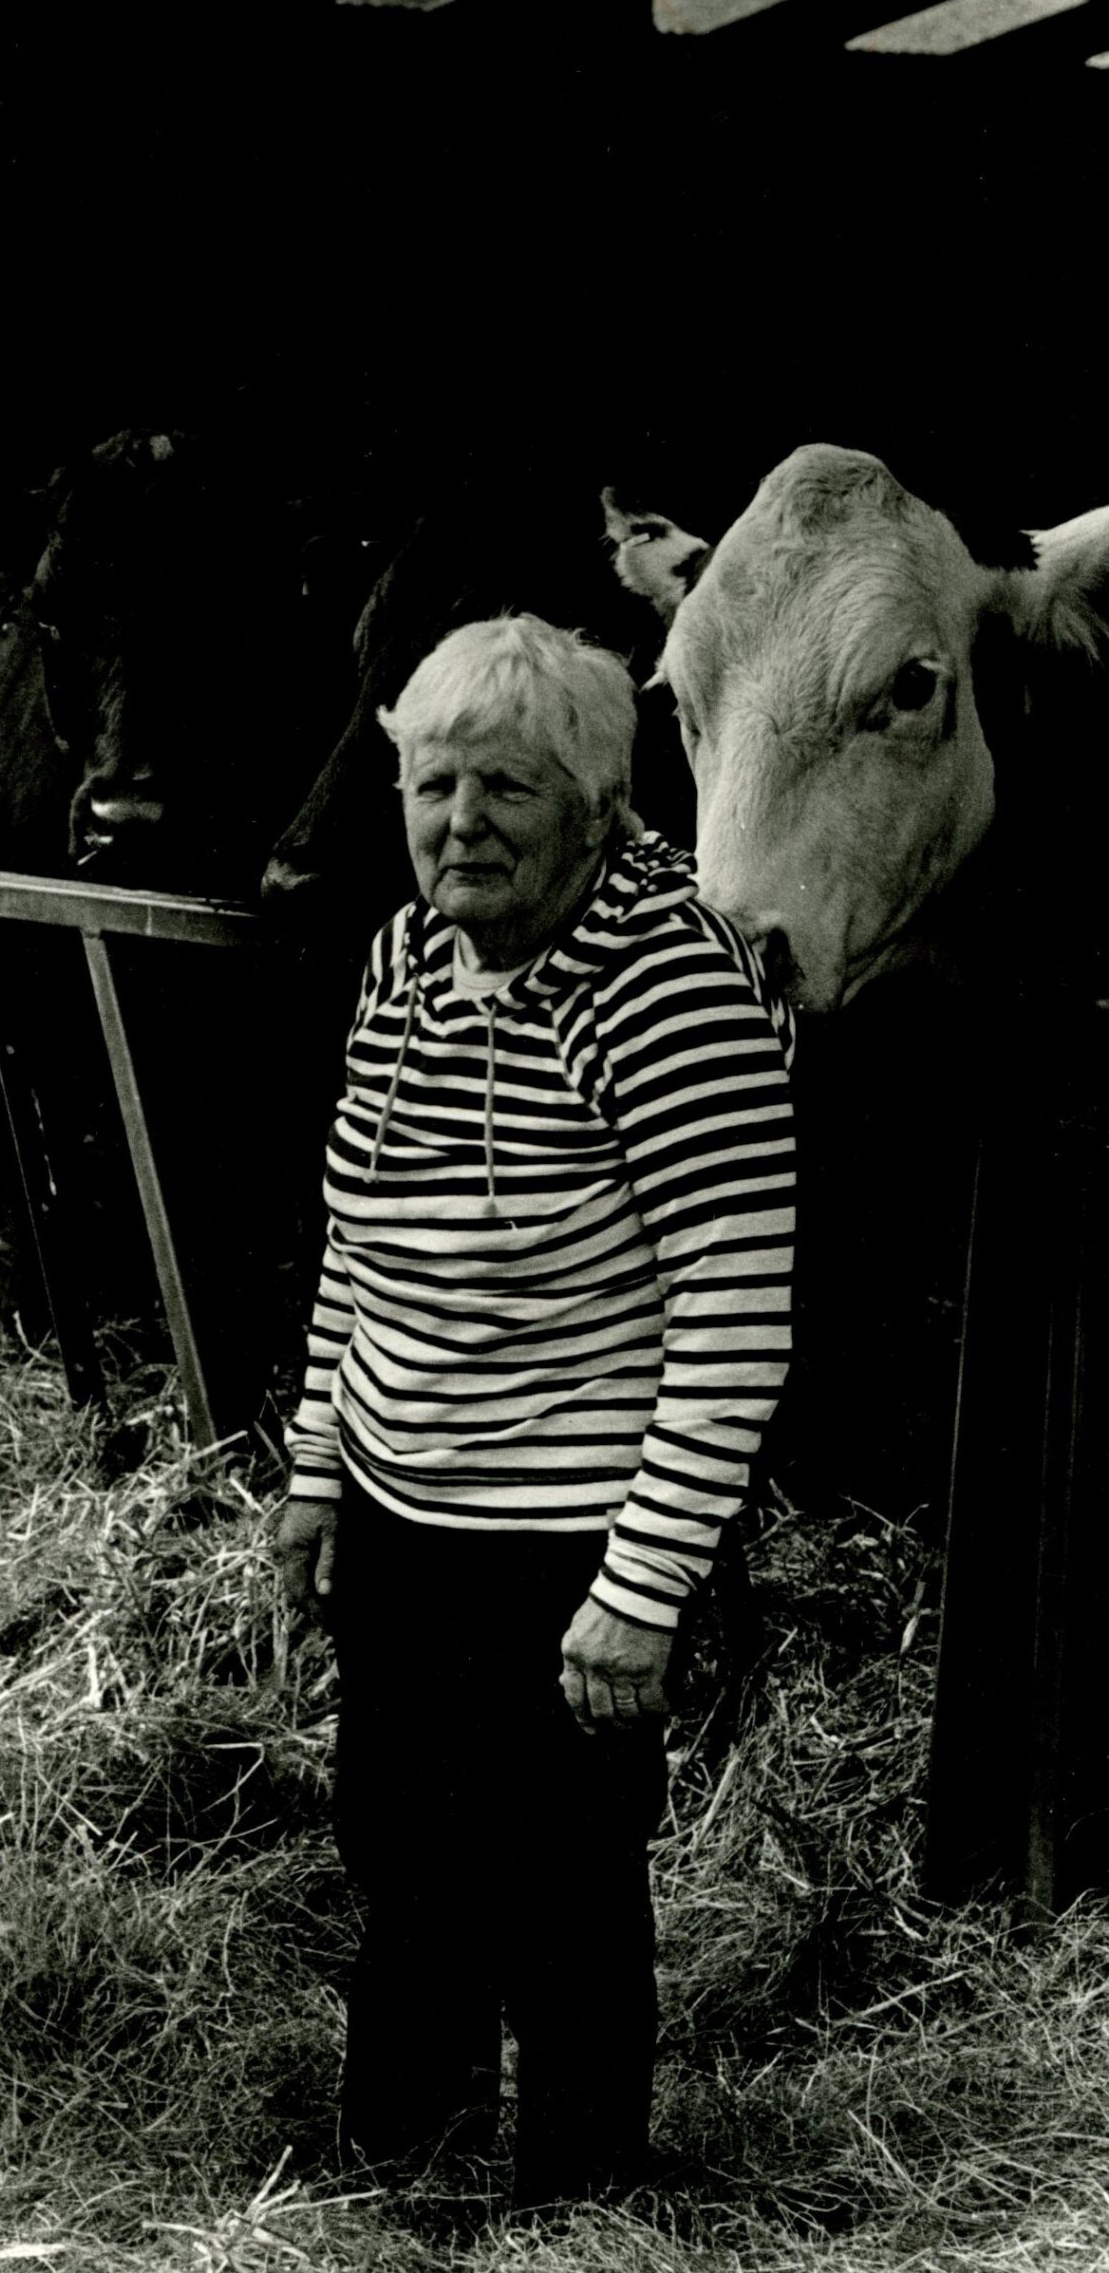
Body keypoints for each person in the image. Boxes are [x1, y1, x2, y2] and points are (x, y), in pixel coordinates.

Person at [275, 612, 795, 2209]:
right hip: (404, 1507)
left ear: (600, 806)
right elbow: (355, 1232)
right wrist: (313, 1474)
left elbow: (733, 1316)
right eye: (431, 787)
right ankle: (401, 2167)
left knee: (564, 1879)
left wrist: (636, 1596)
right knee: (400, 1851)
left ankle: (578, 2198)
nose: (459, 826)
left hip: (571, 1539)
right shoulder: (406, 956)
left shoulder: (665, 986)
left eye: (504, 789)